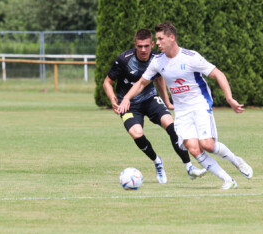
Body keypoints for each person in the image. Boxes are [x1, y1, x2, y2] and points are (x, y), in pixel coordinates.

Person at [117, 22, 253, 190]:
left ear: (171, 38)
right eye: (157, 39)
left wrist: (230, 99)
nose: (157, 43)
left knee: (208, 145)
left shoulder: (191, 57)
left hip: (199, 104)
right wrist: (126, 99)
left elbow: (218, 74)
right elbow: (142, 83)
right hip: (181, 110)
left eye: (160, 39)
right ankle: (228, 180)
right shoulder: (157, 61)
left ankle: (236, 160)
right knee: (193, 149)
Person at [103, 29, 207, 184]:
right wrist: (113, 99)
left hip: (150, 99)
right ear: (135, 45)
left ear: (152, 44)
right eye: (140, 46)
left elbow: (159, 80)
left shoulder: (157, 59)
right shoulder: (124, 59)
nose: (143, 50)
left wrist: (166, 100)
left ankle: (189, 167)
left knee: (171, 126)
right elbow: (107, 82)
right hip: (128, 104)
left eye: (146, 46)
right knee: (137, 133)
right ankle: (157, 161)